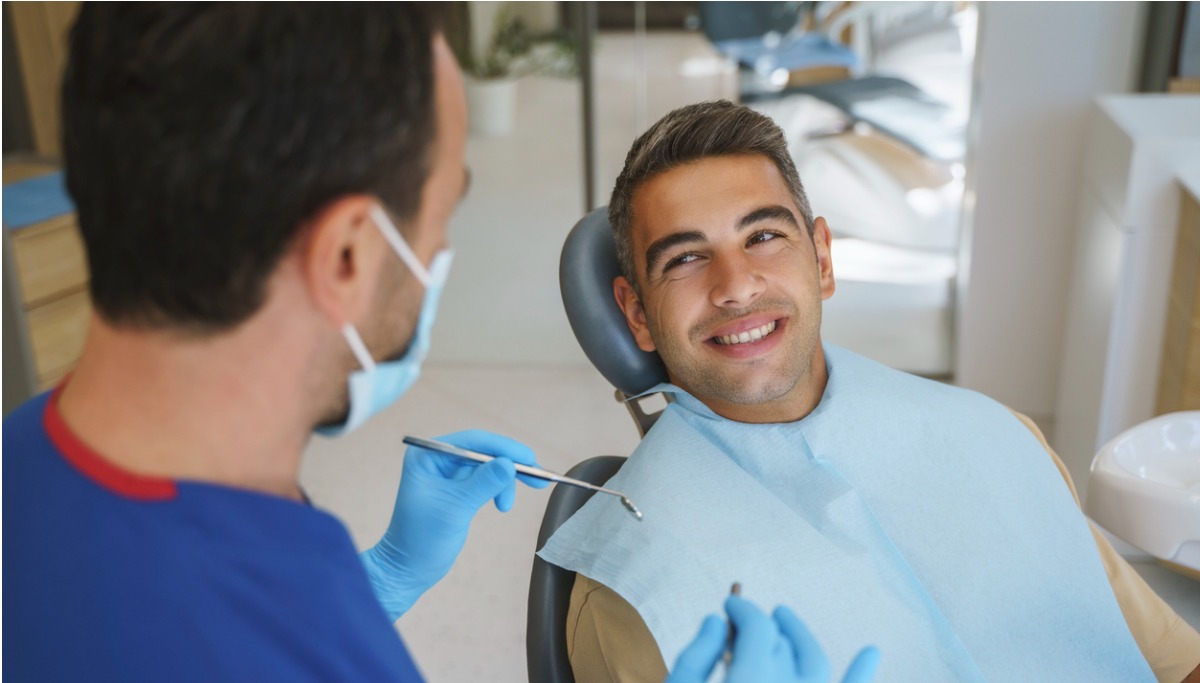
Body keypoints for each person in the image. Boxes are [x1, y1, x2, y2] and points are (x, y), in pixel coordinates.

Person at [3, 6, 876, 682]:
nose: (440, 257)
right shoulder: (264, 641)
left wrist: (371, 585)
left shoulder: (32, 458)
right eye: (440, 214)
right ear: (348, 256)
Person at [537, 100, 1200, 683]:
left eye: (763, 235)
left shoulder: (998, 438)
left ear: (822, 258)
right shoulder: (636, 592)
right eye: (685, 258)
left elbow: (1177, 661)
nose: (735, 285)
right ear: (637, 314)